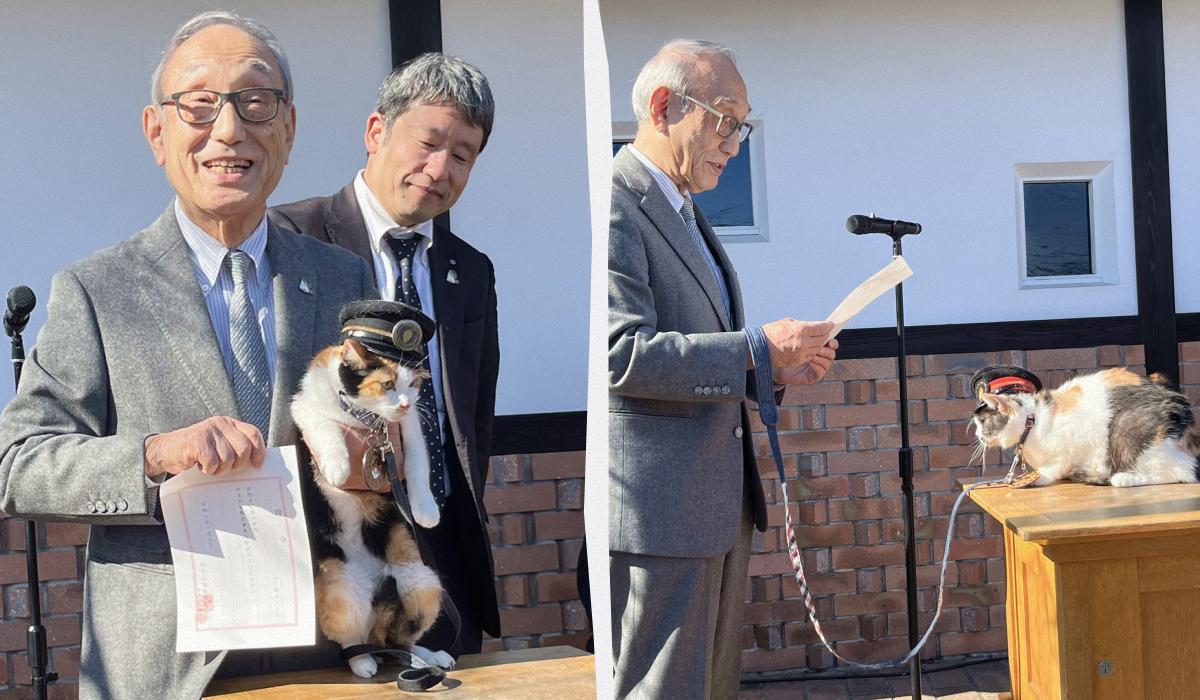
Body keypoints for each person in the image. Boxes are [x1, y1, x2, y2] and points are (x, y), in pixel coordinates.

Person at [0, 11, 376, 698]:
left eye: (256, 102)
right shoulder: (98, 289)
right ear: (157, 132)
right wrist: (155, 455)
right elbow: (18, 462)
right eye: (199, 105)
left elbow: (373, 435)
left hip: (323, 652)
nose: (228, 129)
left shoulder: (343, 278)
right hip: (166, 665)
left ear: (287, 128)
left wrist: (375, 449)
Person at [608, 39, 838, 698]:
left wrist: (774, 370)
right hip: (660, 518)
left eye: (742, 124)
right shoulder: (618, 205)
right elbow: (620, 355)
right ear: (662, 106)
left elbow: (697, 351)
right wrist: (756, 348)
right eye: (726, 118)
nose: (736, 141)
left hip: (711, 507)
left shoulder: (683, 210)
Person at [270, 53, 500, 656]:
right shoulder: (289, 240)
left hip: (440, 539)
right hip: (337, 545)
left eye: (462, 155)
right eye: (427, 143)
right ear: (376, 131)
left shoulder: (470, 270)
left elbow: (473, 416)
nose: (439, 168)